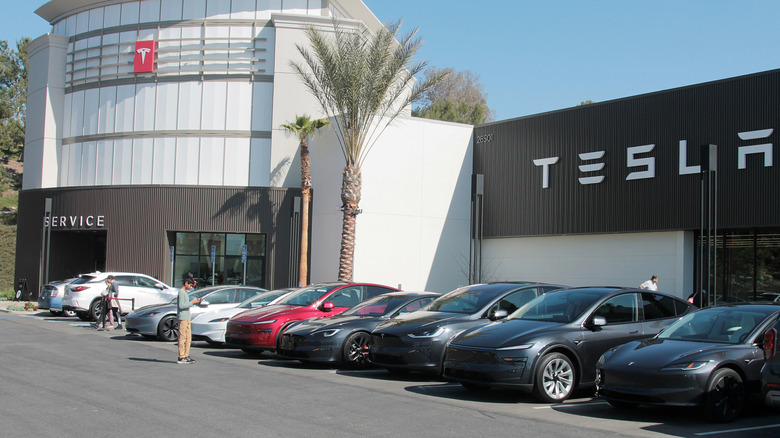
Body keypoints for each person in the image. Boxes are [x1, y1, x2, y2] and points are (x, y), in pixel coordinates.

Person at [177, 278, 203, 364]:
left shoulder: (185, 293)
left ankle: (186, 355)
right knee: (182, 337)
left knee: (188, 337)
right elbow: (181, 306)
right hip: (182, 317)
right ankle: (181, 356)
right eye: (190, 285)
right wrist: (192, 302)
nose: (191, 287)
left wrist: (196, 301)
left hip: (187, 317)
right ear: (186, 283)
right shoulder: (181, 292)